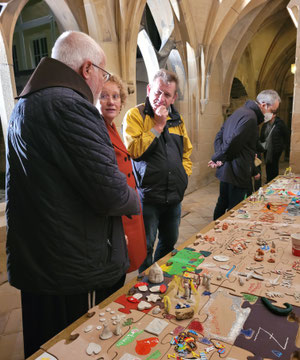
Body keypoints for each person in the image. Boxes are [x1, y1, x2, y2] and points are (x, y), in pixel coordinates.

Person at [5, 31, 140, 358]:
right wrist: (136, 198)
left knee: (45, 355)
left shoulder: (27, 103)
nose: (102, 86)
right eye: (103, 75)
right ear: (87, 69)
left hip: (42, 259)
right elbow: (109, 192)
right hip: (70, 265)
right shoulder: (69, 106)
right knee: (75, 353)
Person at [123, 69, 193, 273]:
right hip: (148, 197)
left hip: (174, 196)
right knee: (145, 246)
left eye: (167, 95)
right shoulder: (135, 115)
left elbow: (186, 152)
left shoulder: (178, 120)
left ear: (174, 98)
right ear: (149, 89)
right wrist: (158, 126)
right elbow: (133, 150)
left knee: (169, 243)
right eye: (157, 92)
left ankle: (161, 277)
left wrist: (184, 175)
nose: (161, 99)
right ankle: (145, 284)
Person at [209, 89, 281, 220]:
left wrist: (221, 158)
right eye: (273, 111)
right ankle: (223, 236)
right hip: (237, 173)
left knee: (222, 203)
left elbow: (220, 135)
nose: (273, 115)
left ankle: (213, 231)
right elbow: (233, 144)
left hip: (227, 171)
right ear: (264, 105)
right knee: (235, 209)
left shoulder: (240, 112)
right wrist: (218, 158)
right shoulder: (250, 118)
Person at [99, 74, 147, 272]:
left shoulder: (111, 127)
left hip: (127, 210)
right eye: (103, 96)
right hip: (116, 215)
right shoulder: (97, 129)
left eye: (116, 96)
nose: (111, 101)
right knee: (114, 274)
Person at [260, 112, 288, 183]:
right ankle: (269, 180)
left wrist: (282, 146)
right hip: (266, 148)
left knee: (274, 165)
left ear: (274, 115)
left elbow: (286, 135)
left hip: (276, 149)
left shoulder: (280, 124)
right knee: (268, 165)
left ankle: (274, 181)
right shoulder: (265, 124)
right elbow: (262, 136)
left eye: (269, 114)